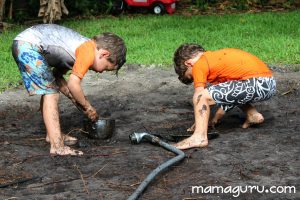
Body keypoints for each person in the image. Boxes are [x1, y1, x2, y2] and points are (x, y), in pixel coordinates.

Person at [12, 24, 127, 155]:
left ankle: (53, 135)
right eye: (106, 68)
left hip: (25, 44)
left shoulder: (78, 51)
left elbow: (57, 77)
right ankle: (57, 146)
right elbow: (73, 84)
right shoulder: (87, 51)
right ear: (103, 54)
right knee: (51, 93)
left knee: (50, 89)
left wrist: (75, 99)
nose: (101, 72)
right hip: (27, 46)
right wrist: (87, 107)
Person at [173, 44, 276, 150]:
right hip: (268, 84)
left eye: (191, 76)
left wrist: (200, 124)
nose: (195, 76)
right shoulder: (217, 59)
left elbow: (200, 96)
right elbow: (229, 94)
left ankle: (199, 137)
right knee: (230, 89)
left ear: (188, 63)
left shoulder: (199, 64)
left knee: (200, 96)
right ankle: (253, 114)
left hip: (255, 83)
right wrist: (216, 117)